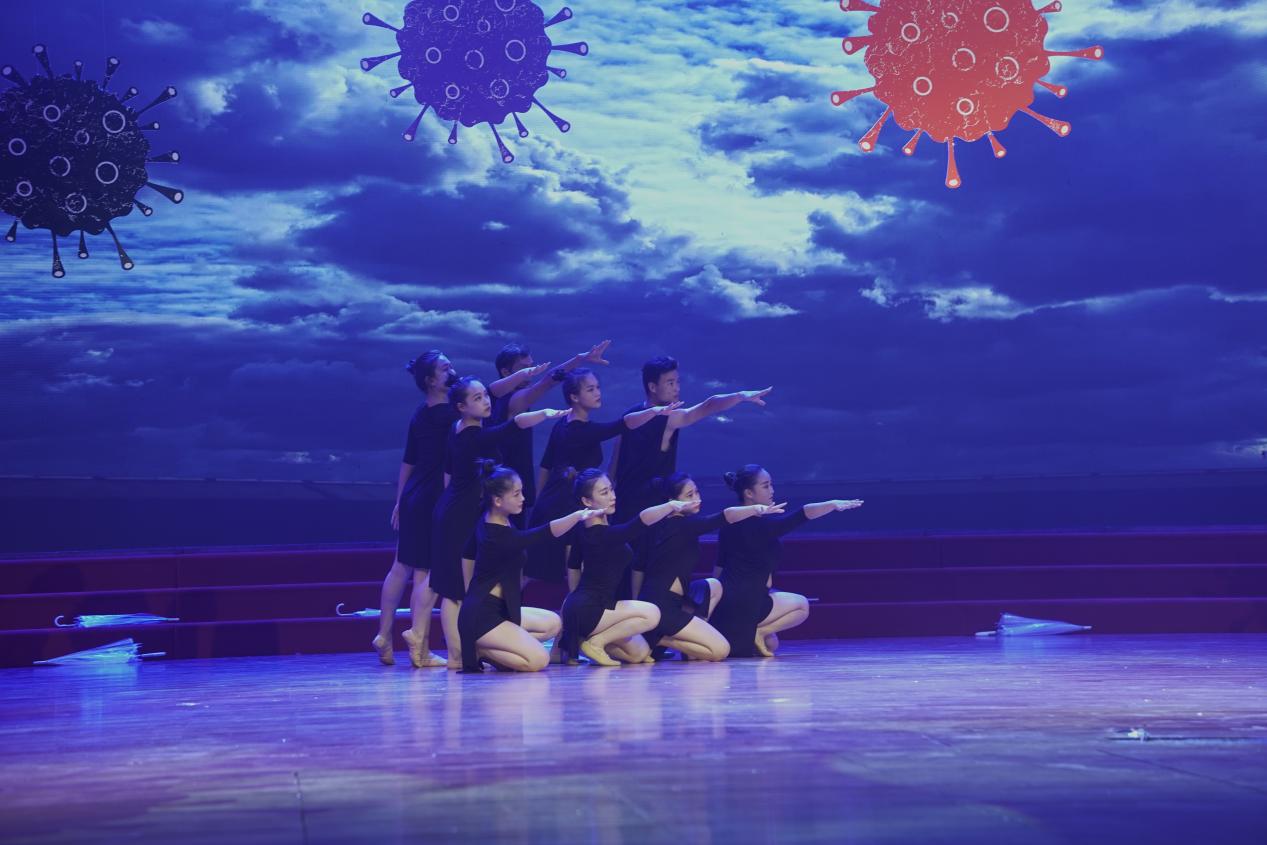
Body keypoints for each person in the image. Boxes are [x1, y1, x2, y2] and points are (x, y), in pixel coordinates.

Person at [608, 356, 773, 595]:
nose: (677, 388)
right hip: (650, 514)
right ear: (652, 386)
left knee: (631, 578)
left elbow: (612, 465)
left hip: (631, 511)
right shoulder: (664, 417)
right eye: (670, 383)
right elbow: (708, 405)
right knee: (647, 579)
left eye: (677, 382)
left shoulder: (632, 416)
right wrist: (740, 396)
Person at [430, 377, 563, 669]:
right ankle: (458, 653)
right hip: (459, 514)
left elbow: (450, 474)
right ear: (461, 406)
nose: (486, 401)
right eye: (477, 398)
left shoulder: (459, 427)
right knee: (454, 589)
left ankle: (482, 643)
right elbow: (514, 425)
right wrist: (545, 414)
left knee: (460, 587)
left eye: (485, 395)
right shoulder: (473, 436)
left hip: (457, 507)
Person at [522, 369, 681, 585]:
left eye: (597, 387)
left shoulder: (563, 424)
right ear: (574, 397)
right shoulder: (581, 430)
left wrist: (539, 504)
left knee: (543, 571)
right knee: (562, 572)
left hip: (554, 504)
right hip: (565, 506)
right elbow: (624, 424)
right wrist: (654, 411)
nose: (598, 392)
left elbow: (545, 466)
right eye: (590, 389)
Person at [458, 462, 604, 672]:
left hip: (501, 608)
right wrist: (577, 516)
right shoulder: (497, 536)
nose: (523, 498)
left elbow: (467, 553)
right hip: (483, 616)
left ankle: (498, 645)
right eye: (516, 494)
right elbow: (545, 532)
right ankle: (482, 650)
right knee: (539, 660)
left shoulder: (492, 519)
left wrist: (469, 593)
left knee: (553, 623)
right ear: (498, 500)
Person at [709, 464, 863, 658]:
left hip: (732, 601)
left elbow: (719, 568)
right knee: (801, 605)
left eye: (771, 485)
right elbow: (803, 514)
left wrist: (717, 604)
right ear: (749, 493)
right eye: (766, 486)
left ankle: (756, 631)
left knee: (772, 643)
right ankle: (758, 631)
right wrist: (831, 504)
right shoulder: (763, 525)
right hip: (747, 602)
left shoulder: (729, 523)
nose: (772, 490)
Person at [638, 473, 784, 661]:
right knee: (720, 650)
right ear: (673, 502)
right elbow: (725, 516)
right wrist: (755, 509)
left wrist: (639, 603)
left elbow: (638, 569)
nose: (697, 499)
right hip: (664, 607)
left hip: (667, 602)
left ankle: (671, 639)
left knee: (713, 585)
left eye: (697, 492)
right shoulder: (683, 524)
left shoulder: (663, 525)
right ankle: (662, 639)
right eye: (689, 495)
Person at [559, 469, 693, 666]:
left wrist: (573, 600)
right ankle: (596, 642)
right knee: (652, 613)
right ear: (587, 501)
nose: (612, 496)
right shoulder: (604, 535)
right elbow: (641, 521)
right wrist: (670, 506)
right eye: (604, 492)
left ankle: (586, 640)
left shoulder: (585, 529)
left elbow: (573, 566)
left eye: (611, 490)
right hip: (591, 609)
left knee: (639, 653)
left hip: (589, 607)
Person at [374, 350, 456, 668]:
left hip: (413, 496)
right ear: (431, 380)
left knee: (400, 566)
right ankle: (419, 646)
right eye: (445, 368)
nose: (452, 371)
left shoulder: (420, 413)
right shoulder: (450, 415)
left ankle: (384, 635)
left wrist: (400, 500)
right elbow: (446, 466)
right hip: (433, 496)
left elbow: (407, 463)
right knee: (424, 571)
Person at [486, 340, 613, 528]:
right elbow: (546, 383)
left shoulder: (514, 398)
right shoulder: (511, 401)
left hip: (515, 486)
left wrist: (580, 358)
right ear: (506, 372)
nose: (531, 373)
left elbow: (548, 379)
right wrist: (579, 359)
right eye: (524, 369)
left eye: (531, 367)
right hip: (506, 490)